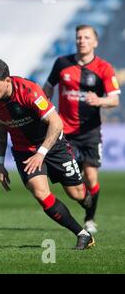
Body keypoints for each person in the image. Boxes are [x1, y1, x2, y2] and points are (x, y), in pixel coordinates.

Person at [0, 59, 94, 250]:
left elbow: (56, 122)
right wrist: (0, 163)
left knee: (77, 193)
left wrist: (41, 153)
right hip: (24, 151)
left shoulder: (29, 91)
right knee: (40, 193)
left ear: (7, 80)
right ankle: (82, 234)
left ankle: (87, 197)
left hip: (53, 145)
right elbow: (0, 131)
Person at [43, 25, 121, 234]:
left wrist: (99, 100)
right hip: (64, 131)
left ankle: (89, 218)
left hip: (90, 132)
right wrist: (42, 107)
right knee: (72, 181)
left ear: (95, 42)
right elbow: (47, 88)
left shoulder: (104, 68)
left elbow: (114, 100)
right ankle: (84, 204)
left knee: (91, 177)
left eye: (86, 37)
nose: (81, 40)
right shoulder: (62, 63)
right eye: (78, 37)